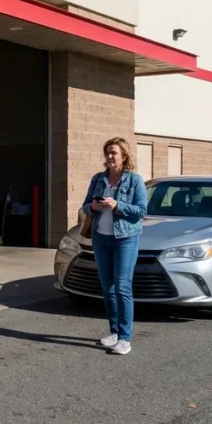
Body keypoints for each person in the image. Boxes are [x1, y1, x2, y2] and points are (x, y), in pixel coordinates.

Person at [81, 137, 148, 355]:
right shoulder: (98, 179)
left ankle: (125, 338)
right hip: (101, 237)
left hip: (125, 238)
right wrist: (92, 206)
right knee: (107, 288)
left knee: (122, 286)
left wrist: (118, 205)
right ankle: (114, 332)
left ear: (124, 156)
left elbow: (141, 211)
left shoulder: (135, 180)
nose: (110, 156)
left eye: (114, 153)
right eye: (108, 152)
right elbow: (85, 207)